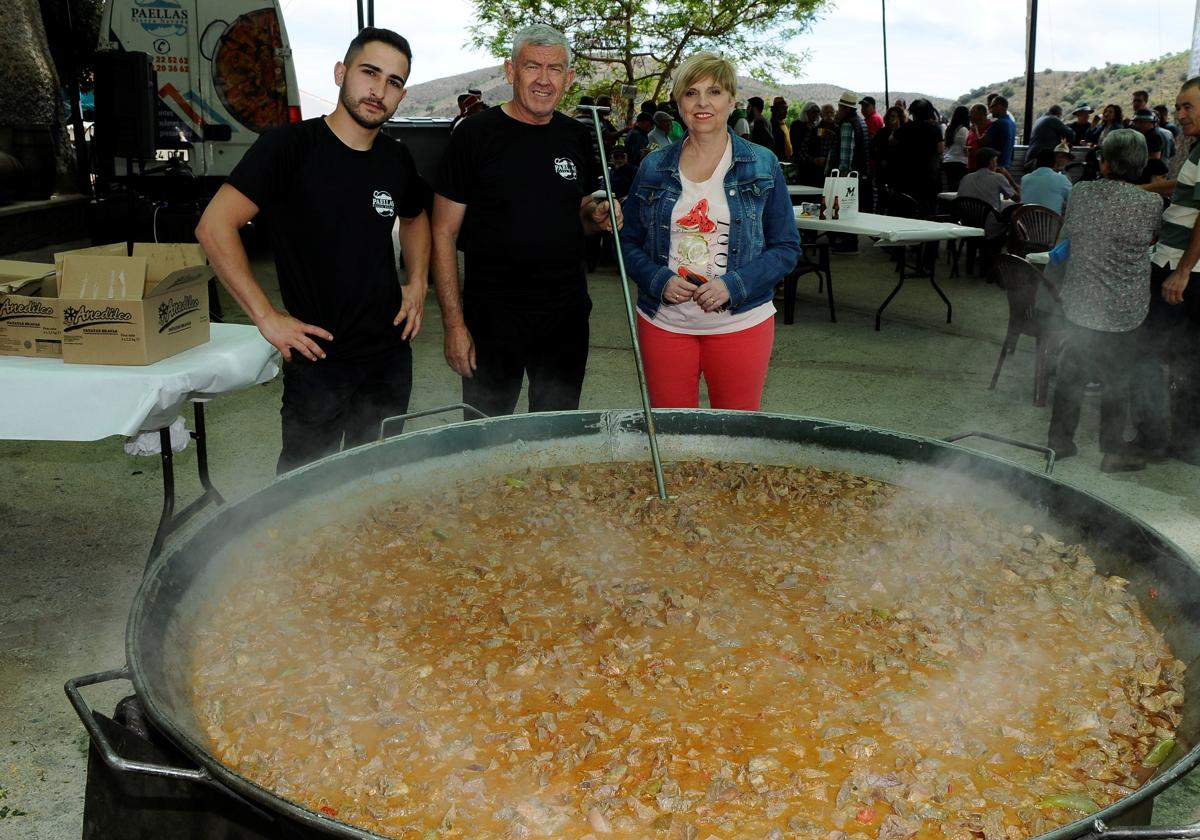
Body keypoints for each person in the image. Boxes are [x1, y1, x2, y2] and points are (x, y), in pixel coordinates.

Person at [195, 27, 430, 474]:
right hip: (319, 357)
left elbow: (417, 218)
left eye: (394, 82)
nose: (379, 91)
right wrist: (267, 318)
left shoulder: (396, 159)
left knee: (376, 475)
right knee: (303, 489)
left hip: (389, 355)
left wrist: (416, 282)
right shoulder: (288, 148)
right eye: (370, 73)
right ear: (341, 72)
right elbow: (214, 227)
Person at [431, 24, 620, 418]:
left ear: (568, 78)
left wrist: (597, 213)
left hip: (565, 317)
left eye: (555, 69)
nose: (544, 80)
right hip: (493, 318)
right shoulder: (475, 136)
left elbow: (579, 214)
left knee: (557, 433)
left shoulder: (576, 136)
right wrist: (454, 324)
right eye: (532, 66)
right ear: (510, 71)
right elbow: (443, 232)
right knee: (485, 437)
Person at [618, 52, 800, 411]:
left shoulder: (762, 164)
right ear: (679, 103)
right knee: (672, 435)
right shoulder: (653, 166)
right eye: (691, 93)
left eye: (714, 92)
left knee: (735, 437)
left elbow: (786, 247)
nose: (702, 103)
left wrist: (733, 285)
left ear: (732, 101)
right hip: (664, 324)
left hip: (742, 323)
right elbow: (627, 242)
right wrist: (658, 280)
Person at [1048, 129, 1162, 472]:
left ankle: (1059, 442)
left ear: (1106, 163)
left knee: (1071, 375)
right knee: (1118, 382)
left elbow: (1069, 235)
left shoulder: (1081, 193)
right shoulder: (1151, 204)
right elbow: (1152, 239)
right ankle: (1113, 450)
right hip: (1124, 311)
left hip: (1081, 305)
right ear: (1141, 164)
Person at [1132, 76, 1200, 464]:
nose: (1180, 114)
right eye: (1178, 107)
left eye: (1188, 106)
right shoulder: (1197, 149)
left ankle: (1151, 439)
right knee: (1189, 357)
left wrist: (1184, 270)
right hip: (1179, 263)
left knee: (1146, 351)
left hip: (1180, 266)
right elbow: (1186, 188)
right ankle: (1187, 443)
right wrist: (1147, 189)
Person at [825, 91, 871, 251]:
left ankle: (846, 244)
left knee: (843, 209)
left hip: (847, 175)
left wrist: (842, 174)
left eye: (839, 107)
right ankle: (851, 242)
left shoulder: (847, 124)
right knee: (851, 209)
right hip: (860, 172)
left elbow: (846, 152)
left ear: (844, 108)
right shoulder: (860, 122)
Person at [889, 97, 943, 214]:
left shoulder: (906, 127)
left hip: (908, 175)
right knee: (928, 209)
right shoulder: (934, 128)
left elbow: (892, 141)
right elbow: (940, 149)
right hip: (929, 176)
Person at [957, 147, 1018, 237]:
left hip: (967, 226)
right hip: (990, 228)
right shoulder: (998, 177)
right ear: (991, 162)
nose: (997, 164)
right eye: (996, 161)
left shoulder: (966, 177)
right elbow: (1018, 198)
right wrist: (1009, 177)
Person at [1019, 148, 1072, 214]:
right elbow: (1073, 200)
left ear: (1036, 162)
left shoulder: (1025, 179)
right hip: (1051, 222)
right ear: (1054, 163)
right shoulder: (1062, 179)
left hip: (1026, 222)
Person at [1024, 105, 1075, 172]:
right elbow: (1071, 135)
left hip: (1031, 160)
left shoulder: (1039, 120)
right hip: (1041, 162)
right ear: (1059, 115)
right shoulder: (1053, 119)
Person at [789, 102, 824, 185]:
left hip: (813, 166)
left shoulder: (817, 128)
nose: (816, 114)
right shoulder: (797, 125)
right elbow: (797, 147)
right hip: (800, 164)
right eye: (813, 111)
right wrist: (811, 160)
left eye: (818, 112)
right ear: (806, 112)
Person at [983, 95, 1017, 170]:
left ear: (999, 106)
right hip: (1006, 164)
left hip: (995, 165)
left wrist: (975, 131)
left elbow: (982, 141)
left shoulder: (998, 123)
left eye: (992, 106)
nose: (990, 110)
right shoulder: (1012, 123)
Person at [942, 105, 970, 191]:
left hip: (948, 160)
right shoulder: (964, 130)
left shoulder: (949, 128)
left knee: (951, 188)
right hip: (959, 162)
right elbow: (965, 147)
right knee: (959, 189)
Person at [965, 102, 991, 170]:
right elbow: (968, 143)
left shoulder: (990, 127)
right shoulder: (973, 127)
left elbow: (985, 145)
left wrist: (976, 133)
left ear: (981, 114)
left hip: (984, 168)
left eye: (972, 112)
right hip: (970, 165)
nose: (969, 115)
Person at [770, 95, 792, 161]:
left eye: (786, 108)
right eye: (783, 108)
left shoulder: (784, 124)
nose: (786, 111)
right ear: (775, 110)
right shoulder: (772, 126)